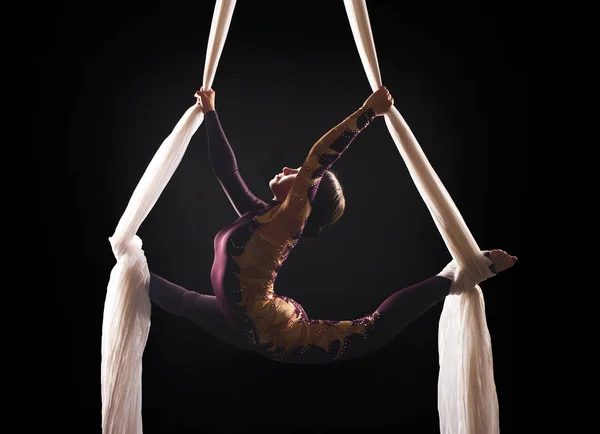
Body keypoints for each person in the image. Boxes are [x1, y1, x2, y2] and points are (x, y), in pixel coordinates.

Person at [148, 86, 517, 363]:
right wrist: (210, 111)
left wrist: (368, 112)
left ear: (307, 196)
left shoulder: (290, 219)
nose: (288, 169)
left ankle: (460, 275)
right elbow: (227, 172)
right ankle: (127, 273)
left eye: (298, 174)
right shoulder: (262, 216)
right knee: (169, 295)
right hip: (244, 321)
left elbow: (315, 161)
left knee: (371, 330)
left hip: (274, 332)